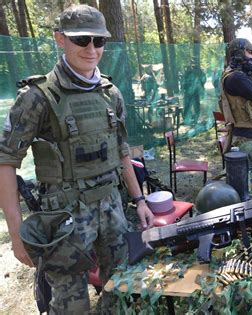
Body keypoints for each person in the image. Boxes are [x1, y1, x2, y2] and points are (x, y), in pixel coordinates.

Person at [0, 5, 155, 313]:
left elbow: (121, 150)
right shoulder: (36, 97)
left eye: (99, 41)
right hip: (65, 217)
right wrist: (18, 233)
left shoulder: (110, 93)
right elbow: (6, 163)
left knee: (122, 288)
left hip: (112, 206)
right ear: (60, 39)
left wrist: (139, 200)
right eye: (81, 39)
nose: (91, 48)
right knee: (71, 305)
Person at [220, 38, 252, 151]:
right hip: (249, 136)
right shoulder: (237, 78)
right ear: (240, 53)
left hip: (246, 133)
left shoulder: (231, 74)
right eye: (250, 52)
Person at [182, 60, 206, 124]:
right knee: (187, 106)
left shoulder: (199, 71)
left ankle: (195, 119)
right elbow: (184, 81)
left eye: (194, 63)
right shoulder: (188, 71)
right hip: (188, 92)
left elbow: (203, 79)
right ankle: (186, 120)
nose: (193, 65)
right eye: (192, 63)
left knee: (196, 106)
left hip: (196, 92)